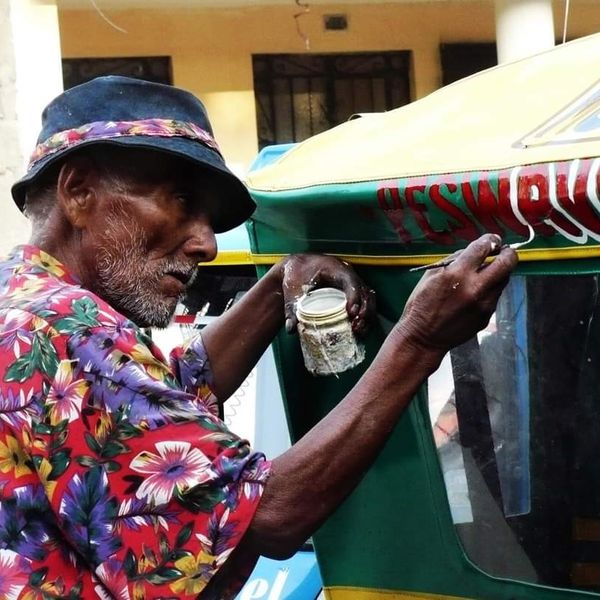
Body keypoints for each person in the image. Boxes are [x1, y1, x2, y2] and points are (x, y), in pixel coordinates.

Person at [0, 76, 517, 599]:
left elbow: (154, 403)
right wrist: (419, 341)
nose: (207, 245)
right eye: (181, 200)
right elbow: (267, 515)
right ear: (79, 191)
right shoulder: (69, 330)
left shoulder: (19, 303)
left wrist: (277, 288)